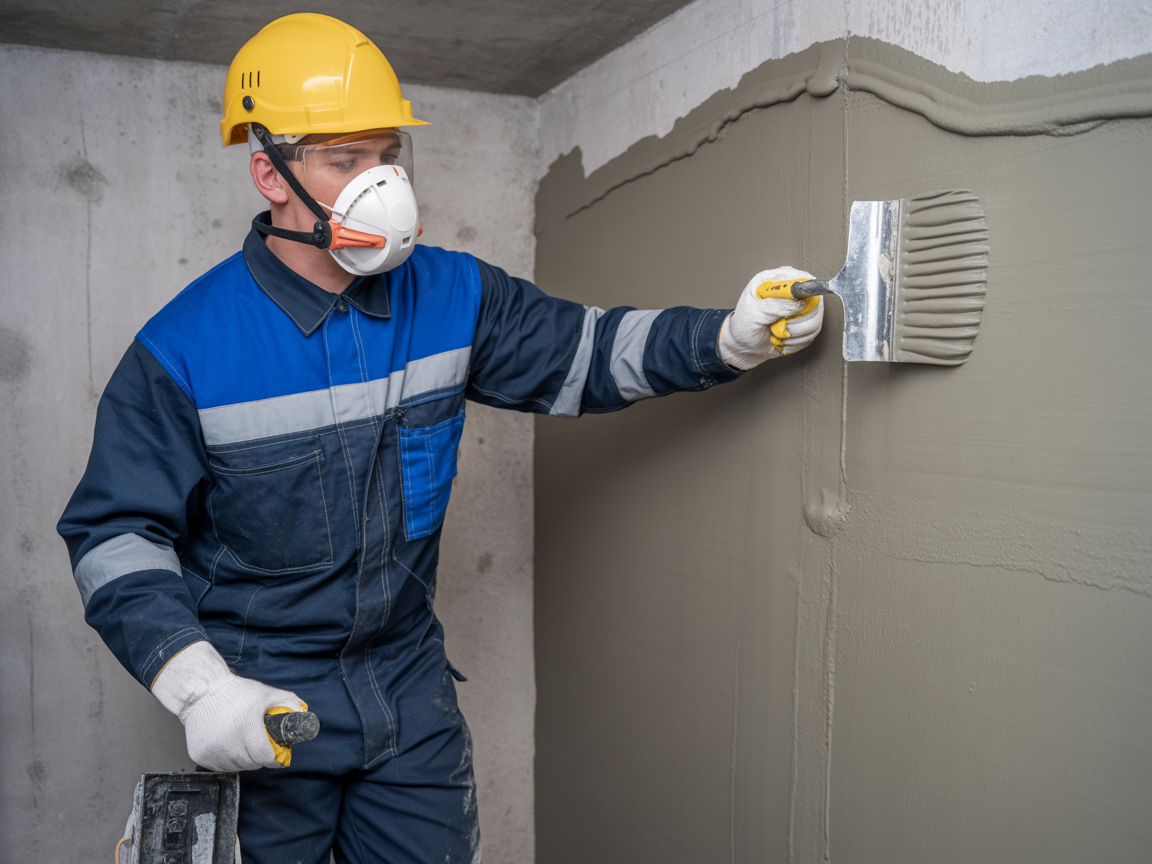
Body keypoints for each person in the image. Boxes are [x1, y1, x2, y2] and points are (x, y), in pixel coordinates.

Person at [57, 12, 823, 864]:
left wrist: (727, 339)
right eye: (344, 161)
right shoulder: (185, 348)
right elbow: (115, 536)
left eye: (386, 156)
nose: (379, 183)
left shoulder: (454, 296)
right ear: (269, 173)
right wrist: (199, 689)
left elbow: (586, 352)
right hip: (261, 697)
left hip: (406, 691)